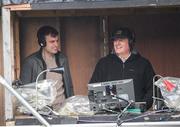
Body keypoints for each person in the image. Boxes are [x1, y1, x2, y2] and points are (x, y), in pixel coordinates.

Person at [89, 27, 155, 110]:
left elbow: (152, 89)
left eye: (121, 40)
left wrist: (141, 107)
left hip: (136, 115)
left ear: (130, 42)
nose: (117, 43)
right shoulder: (103, 63)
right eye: (115, 40)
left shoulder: (143, 63)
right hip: (109, 115)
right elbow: (93, 89)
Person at [20, 25, 74, 111]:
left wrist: (71, 106)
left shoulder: (63, 59)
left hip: (63, 109)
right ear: (42, 43)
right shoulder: (30, 62)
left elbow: (69, 86)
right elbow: (23, 92)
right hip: (41, 112)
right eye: (52, 41)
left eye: (57, 41)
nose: (56, 44)